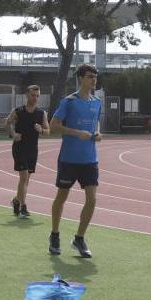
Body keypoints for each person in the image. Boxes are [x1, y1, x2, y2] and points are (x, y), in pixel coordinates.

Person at [48, 64, 101, 257]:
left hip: (90, 159)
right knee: (61, 198)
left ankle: (79, 238)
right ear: (80, 78)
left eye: (95, 77)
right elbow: (54, 126)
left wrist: (98, 133)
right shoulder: (69, 101)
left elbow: (96, 122)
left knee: (92, 199)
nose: (93, 80)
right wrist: (77, 133)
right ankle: (54, 234)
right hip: (69, 159)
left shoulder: (97, 102)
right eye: (89, 77)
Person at [7, 85, 49, 218]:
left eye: (38, 96)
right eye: (33, 95)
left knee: (26, 179)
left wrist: (41, 130)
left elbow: (48, 131)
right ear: (27, 96)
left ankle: (16, 200)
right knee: (24, 177)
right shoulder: (18, 111)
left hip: (33, 149)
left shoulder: (42, 113)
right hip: (20, 148)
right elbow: (7, 123)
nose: (36, 98)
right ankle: (23, 206)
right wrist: (13, 134)